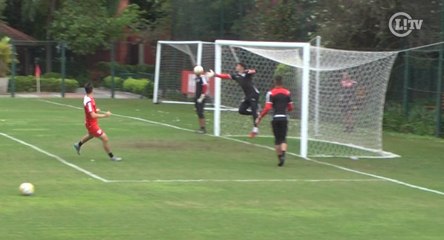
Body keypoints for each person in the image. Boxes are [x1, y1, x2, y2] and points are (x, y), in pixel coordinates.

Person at [207, 63, 260, 138]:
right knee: (241, 110)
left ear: (241, 67)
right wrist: (215, 75)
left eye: (238, 66)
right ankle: (257, 114)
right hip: (247, 96)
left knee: (254, 110)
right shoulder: (236, 76)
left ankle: (255, 129)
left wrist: (247, 71)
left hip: (254, 94)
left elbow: (254, 71)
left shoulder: (247, 73)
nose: (236, 67)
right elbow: (225, 76)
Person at [73, 82, 122, 161]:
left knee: (91, 135)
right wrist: (105, 116)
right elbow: (92, 115)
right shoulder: (89, 101)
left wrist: (95, 110)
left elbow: (89, 111)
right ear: (92, 90)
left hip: (90, 123)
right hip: (92, 124)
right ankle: (112, 157)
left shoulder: (87, 97)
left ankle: (78, 145)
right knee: (105, 139)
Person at [256, 76, 294, 167]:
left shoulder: (270, 93)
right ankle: (284, 154)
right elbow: (291, 107)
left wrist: (260, 117)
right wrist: (286, 109)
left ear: (274, 82)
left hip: (275, 118)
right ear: (282, 83)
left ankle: (280, 158)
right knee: (283, 138)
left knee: (277, 140)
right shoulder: (287, 92)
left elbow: (268, 107)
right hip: (284, 118)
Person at [194, 66, 208, 134]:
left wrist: (202, 96)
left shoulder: (202, 77)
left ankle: (203, 129)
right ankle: (201, 127)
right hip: (197, 97)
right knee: (198, 112)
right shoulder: (197, 78)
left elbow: (205, 86)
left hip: (201, 98)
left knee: (200, 112)